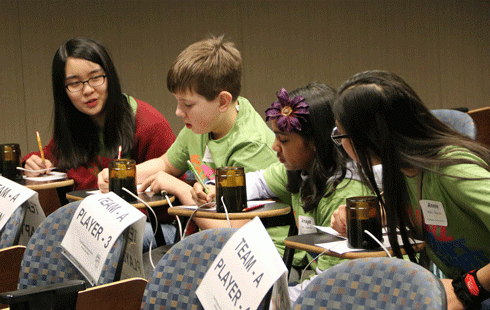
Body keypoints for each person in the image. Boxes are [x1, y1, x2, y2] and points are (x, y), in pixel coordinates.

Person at [193, 83, 379, 290]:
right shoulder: (301, 170)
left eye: (283, 140)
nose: (275, 147)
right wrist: (216, 188)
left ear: (316, 143)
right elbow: (260, 182)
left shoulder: (345, 193)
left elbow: (329, 287)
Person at [330, 70, 490, 310]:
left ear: (371, 136)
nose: (341, 143)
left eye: (340, 134)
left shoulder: (453, 170)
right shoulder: (406, 171)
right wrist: (376, 213)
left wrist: (468, 289)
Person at [98, 35, 278, 246]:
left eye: (188, 104)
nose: (178, 112)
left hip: (259, 250)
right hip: (213, 242)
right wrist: (122, 176)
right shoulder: (205, 124)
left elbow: (233, 231)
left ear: (223, 101)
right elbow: (166, 163)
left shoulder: (251, 144)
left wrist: (180, 188)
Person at [23, 37, 175, 192]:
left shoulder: (149, 124)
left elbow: (173, 184)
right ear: (63, 92)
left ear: (110, 77)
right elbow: (48, 158)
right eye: (75, 83)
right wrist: (33, 165)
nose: (88, 90)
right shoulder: (74, 122)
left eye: (95, 78)